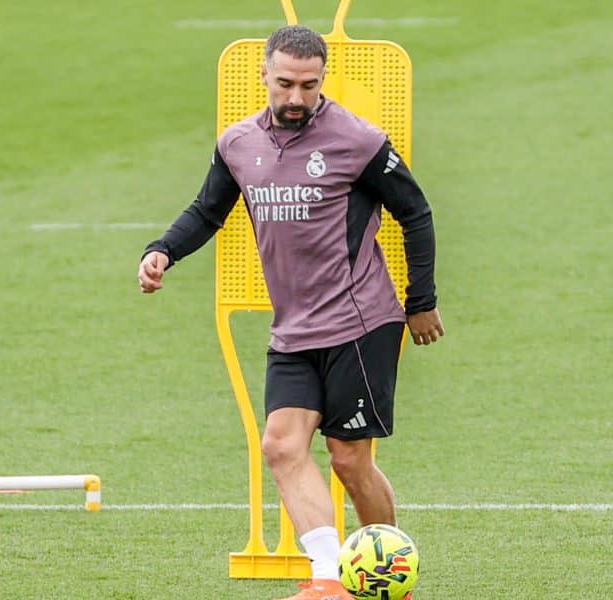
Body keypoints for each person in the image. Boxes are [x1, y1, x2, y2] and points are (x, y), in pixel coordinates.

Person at [137, 25, 442, 600]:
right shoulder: (238, 144)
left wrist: (421, 302)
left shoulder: (358, 139)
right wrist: (163, 250)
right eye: (285, 84)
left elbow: (416, 211)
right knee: (281, 445)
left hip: (361, 323)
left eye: (308, 84)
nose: (296, 97)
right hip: (294, 328)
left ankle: (388, 573)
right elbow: (207, 212)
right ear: (264, 77)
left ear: (323, 78)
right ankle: (329, 578)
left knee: (350, 461)